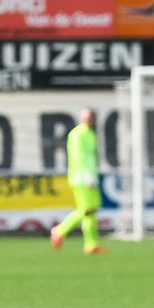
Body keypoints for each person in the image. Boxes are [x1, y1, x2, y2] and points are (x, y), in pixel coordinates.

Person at [51, 109, 106, 255]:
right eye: (87, 117)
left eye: (92, 117)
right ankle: (60, 230)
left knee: (92, 210)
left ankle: (91, 244)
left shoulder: (91, 133)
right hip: (81, 177)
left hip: (90, 176)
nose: (90, 119)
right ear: (81, 118)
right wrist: (87, 175)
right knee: (85, 209)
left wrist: (93, 175)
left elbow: (91, 157)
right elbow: (78, 156)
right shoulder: (77, 134)